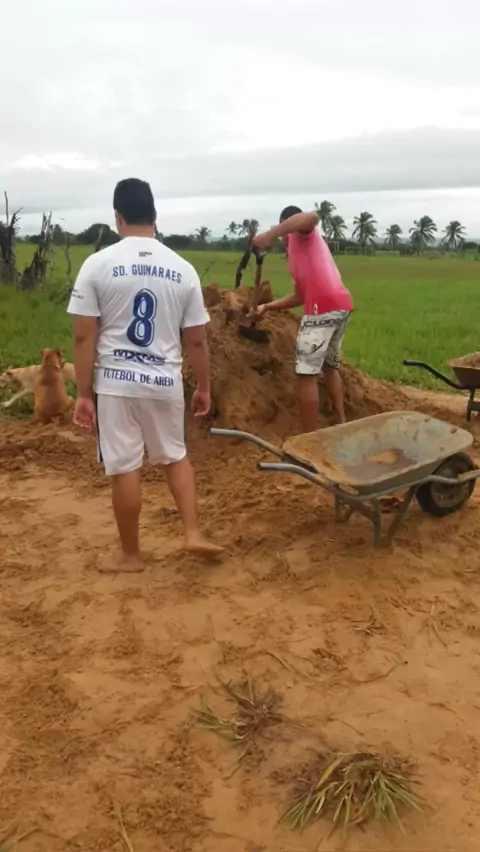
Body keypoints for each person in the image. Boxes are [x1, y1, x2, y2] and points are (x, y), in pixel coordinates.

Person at [67, 177, 223, 573]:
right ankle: (192, 533)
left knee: (124, 467)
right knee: (176, 457)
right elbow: (197, 341)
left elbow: (84, 336)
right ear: (154, 215)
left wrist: (84, 393)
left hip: (116, 385)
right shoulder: (183, 270)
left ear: (118, 217)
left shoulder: (97, 265)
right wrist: (204, 387)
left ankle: (130, 555)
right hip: (164, 382)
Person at [251, 206, 353, 432]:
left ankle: (309, 438)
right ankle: (341, 421)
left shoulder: (304, 234)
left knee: (306, 374)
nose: (282, 235)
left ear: (287, 223)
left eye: (283, 226)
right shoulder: (295, 254)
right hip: (339, 307)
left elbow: (312, 217)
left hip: (322, 310)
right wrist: (267, 306)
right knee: (330, 366)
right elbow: (300, 295)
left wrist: (269, 235)